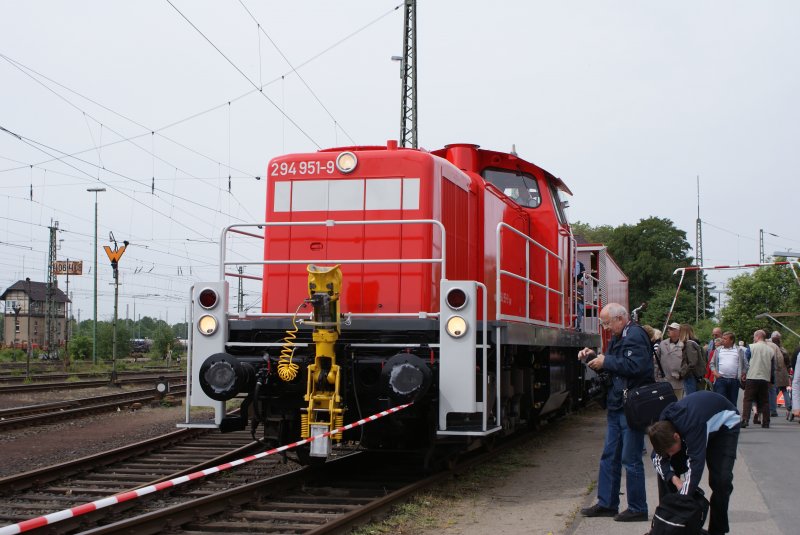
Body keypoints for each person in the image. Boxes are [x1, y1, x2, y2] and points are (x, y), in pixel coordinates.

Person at [577, 303, 654, 522]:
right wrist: (592, 357)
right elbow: (614, 367)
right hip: (617, 404)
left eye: (607, 322)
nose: (605, 327)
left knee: (631, 458)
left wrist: (607, 360)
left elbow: (638, 366)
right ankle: (607, 503)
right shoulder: (620, 337)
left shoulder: (635, 336)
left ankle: (638, 507)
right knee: (609, 456)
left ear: (620, 318)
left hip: (630, 406)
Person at [648, 391, 740, 535]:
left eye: (671, 450)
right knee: (666, 470)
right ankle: (668, 524)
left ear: (676, 436)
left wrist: (682, 503)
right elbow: (657, 458)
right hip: (697, 425)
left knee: (721, 480)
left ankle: (717, 530)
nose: (670, 454)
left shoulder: (692, 426)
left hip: (724, 427)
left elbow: (696, 466)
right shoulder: (662, 428)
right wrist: (673, 478)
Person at [741, 330, 775, 428]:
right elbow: (772, 367)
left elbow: (746, 361)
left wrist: (744, 373)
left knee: (748, 399)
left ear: (757, 337)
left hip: (752, 376)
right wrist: (772, 380)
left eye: (754, 337)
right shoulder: (770, 350)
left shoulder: (751, 347)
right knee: (765, 401)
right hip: (765, 378)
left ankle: (745, 419)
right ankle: (766, 422)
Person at [709, 332, 747, 407]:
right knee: (720, 402)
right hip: (721, 380)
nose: (722, 340)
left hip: (734, 380)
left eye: (725, 339)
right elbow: (711, 363)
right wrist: (715, 373)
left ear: (731, 340)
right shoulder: (718, 350)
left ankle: (732, 417)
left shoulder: (739, 350)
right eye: (722, 338)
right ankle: (722, 418)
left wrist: (743, 373)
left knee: (732, 403)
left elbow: (746, 364)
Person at [658, 322, 685, 399]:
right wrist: (656, 377)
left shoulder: (683, 344)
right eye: (668, 329)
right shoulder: (662, 343)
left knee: (678, 403)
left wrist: (681, 374)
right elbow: (656, 361)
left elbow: (686, 363)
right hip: (663, 380)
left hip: (677, 381)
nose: (668, 330)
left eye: (672, 329)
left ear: (678, 332)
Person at [768, 331, 791, 418]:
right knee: (784, 390)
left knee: (773, 391)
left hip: (775, 372)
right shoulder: (783, 350)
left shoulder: (771, 349)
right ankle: (789, 406)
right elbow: (788, 362)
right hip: (784, 373)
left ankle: (773, 409)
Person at [679, 323, 705, 395]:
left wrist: (684, 372)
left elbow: (692, 362)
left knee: (691, 398)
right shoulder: (695, 343)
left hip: (690, 376)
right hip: (695, 375)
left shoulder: (689, 344)